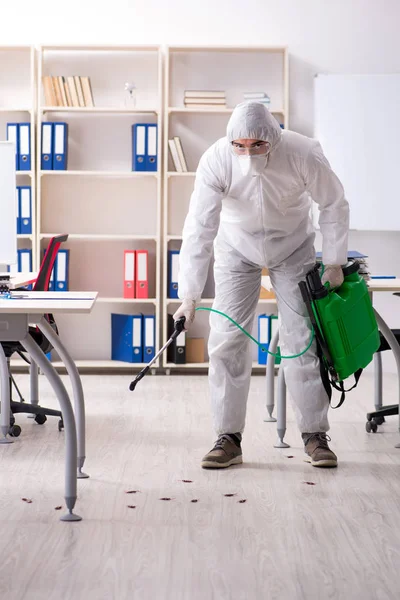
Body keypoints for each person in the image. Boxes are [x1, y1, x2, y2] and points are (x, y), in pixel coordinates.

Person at [173, 101, 349, 469]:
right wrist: (188, 295)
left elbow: (333, 203)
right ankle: (228, 437)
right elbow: (198, 229)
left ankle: (315, 434)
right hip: (237, 249)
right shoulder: (216, 160)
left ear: (274, 138)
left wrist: (334, 261)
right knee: (225, 340)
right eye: (241, 145)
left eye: (258, 145)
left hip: (293, 248)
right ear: (230, 142)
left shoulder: (302, 152)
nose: (248, 152)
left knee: (300, 339)